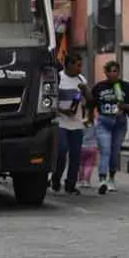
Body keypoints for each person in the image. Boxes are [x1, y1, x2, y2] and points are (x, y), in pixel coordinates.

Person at [88, 61, 128, 194]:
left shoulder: (124, 86)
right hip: (104, 121)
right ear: (105, 72)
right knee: (105, 150)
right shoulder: (99, 87)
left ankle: (112, 177)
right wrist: (89, 117)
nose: (113, 74)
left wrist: (124, 107)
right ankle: (102, 179)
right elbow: (91, 103)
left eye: (116, 71)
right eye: (110, 71)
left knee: (115, 151)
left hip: (119, 122)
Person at [51, 54, 87, 195]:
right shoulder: (58, 79)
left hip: (76, 123)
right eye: (77, 65)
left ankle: (70, 184)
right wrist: (62, 110)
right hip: (61, 121)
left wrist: (85, 90)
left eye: (80, 65)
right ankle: (56, 178)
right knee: (61, 150)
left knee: (76, 155)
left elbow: (89, 100)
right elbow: (51, 102)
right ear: (68, 65)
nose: (79, 68)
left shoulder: (81, 80)